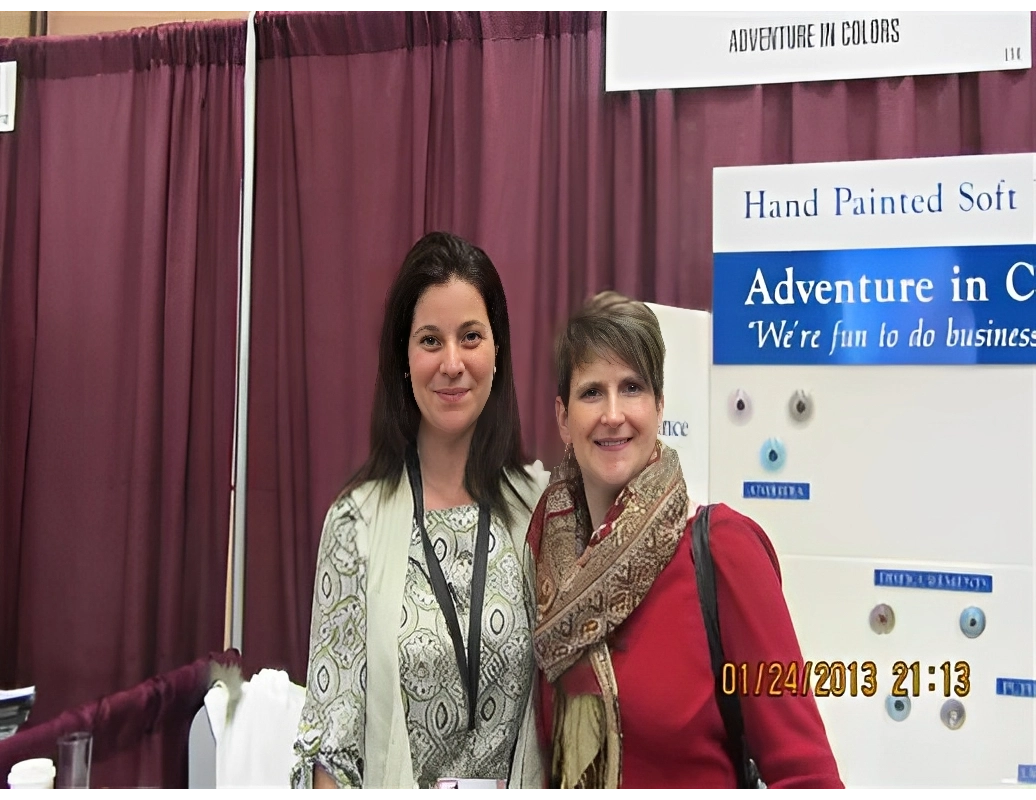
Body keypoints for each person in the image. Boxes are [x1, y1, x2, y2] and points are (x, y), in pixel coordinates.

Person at [527, 290, 844, 791]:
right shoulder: (545, 568)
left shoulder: (723, 553)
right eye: (592, 392)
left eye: (631, 388)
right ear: (563, 417)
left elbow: (806, 777)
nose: (613, 414)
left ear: (658, 406)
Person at [291, 232, 549, 791]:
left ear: (498, 351)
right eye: (431, 340)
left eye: (471, 337)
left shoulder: (542, 509)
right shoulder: (356, 525)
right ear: (404, 360)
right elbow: (330, 750)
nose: (452, 363)